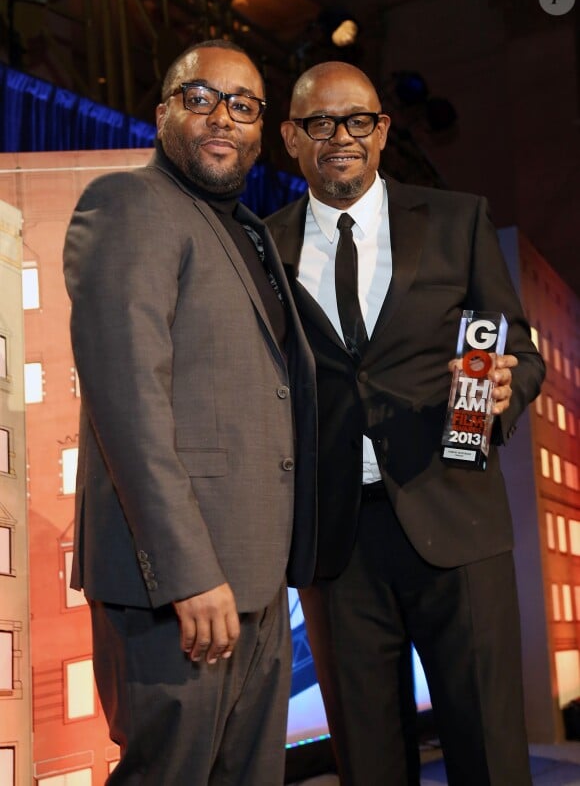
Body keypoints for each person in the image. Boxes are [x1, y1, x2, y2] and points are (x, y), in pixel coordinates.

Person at [266, 61, 545, 786]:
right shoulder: (260, 250)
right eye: (319, 124)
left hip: (457, 519)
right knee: (369, 762)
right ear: (292, 138)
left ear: (383, 130)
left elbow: (518, 349)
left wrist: (505, 393)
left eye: (358, 120)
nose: (341, 137)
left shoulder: (458, 220)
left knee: (488, 751)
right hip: (337, 542)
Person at [63, 39, 317, 786]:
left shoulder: (248, 235)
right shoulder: (130, 204)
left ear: (260, 128)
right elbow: (127, 401)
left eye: (242, 105)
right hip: (179, 588)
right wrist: (188, 573)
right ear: (163, 112)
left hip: (259, 585)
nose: (222, 117)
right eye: (200, 97)